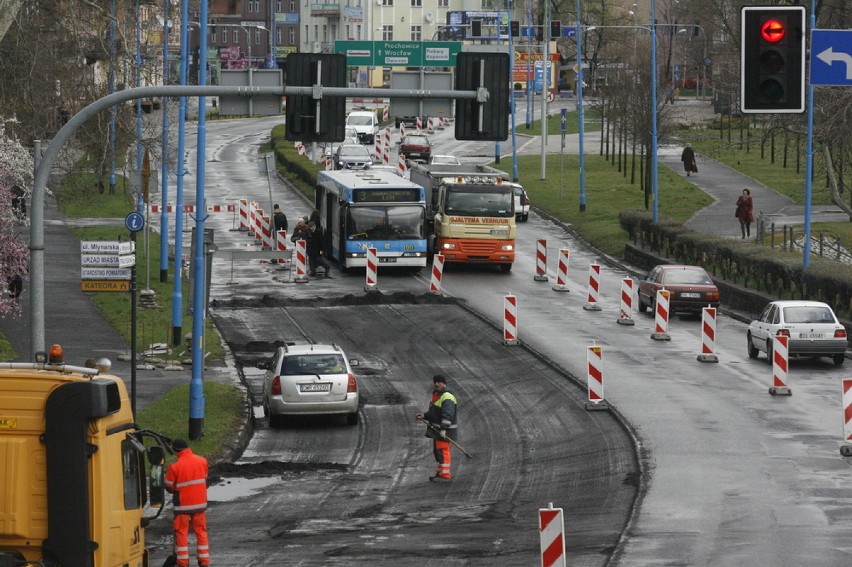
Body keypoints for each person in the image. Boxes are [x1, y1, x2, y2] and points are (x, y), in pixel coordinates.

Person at [164, 439, 211, 567]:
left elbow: (168, 486)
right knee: (201, 531)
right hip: (200, 504)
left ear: (175, 450)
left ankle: (183, 562)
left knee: (181, 532)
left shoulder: (174, 467)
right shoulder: (202, 461)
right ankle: (204, 561)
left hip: (182, 506)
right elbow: (204, 478)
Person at [414, 374, 458, 483]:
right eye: (435, 382)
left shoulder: (447, 396)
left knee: (443, 451)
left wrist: (444, 429)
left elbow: (448, 415)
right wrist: (425, 415)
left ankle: (445, 475)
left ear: (444, 383)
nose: (436, 384)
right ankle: (440, 473)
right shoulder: (437, 395)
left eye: (438, 382)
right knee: (438, 452)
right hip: (437, 430)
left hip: (444, 431)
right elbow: (435, 413)